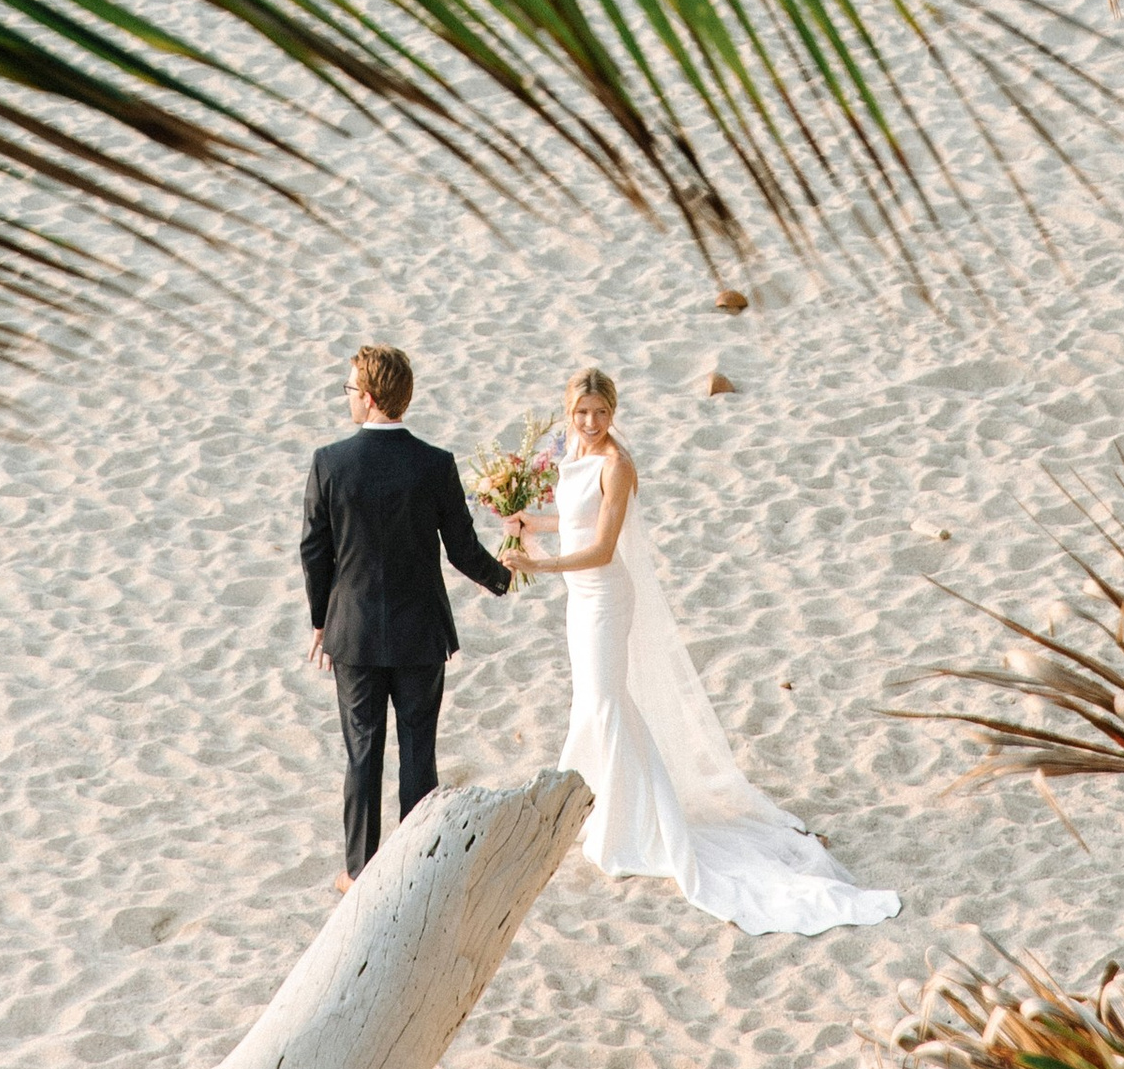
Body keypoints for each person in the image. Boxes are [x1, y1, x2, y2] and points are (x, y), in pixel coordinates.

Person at [518, 362, 900, 936]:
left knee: (607, 705)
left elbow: (600, 549)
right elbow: (575, 523)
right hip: (579, 602)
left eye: (600, 413)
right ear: (569, 411)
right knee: (594, 703)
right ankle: (599, 809)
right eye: (581, 413)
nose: (591, 422)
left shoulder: (617, 466)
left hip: (603, 597)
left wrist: (538, 565)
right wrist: (533, 524)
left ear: (614, 413)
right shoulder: (572, 450)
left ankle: (636, 824)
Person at [300, 341, 510, 887]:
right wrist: (504, 574)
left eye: (349, 390)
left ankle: (358, 872)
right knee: (419, 747)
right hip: (420, 633)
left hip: (354, 632)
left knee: (362, 751)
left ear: (368, 398)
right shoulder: (434, 464)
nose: (347, 398)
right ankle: (418, 865)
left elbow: (314, 551)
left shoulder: (329, 462)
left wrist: (322, 621)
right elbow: (462, 549)